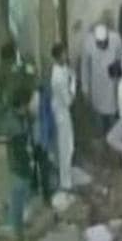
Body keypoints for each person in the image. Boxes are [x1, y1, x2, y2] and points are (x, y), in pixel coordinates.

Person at [81, 24, 122, 136]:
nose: (103, 45)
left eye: (104, 43)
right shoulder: (88, 43)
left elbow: (120, 61)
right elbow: (85, 68)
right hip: (97, 88)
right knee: (99, 122)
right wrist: (85, 89)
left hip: (112, 87)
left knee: (113, 121)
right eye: (100, 44)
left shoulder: (116, 40)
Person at [3, 88, 33, 241]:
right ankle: (18, 234)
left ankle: (18, 230)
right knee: (18, 199)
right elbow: (19, 151)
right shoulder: (16, 126)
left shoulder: (16, 119)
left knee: (19, 198)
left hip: (19, 166)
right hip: (19, 168)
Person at [50, 43, 76, 191]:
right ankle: (65, 182)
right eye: (64, 54)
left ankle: (66, 177)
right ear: (58, 56)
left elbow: (68, 72)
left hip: (63, 113)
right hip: (61, 114)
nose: (66, 56)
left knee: (68, 145)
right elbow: (68, 101)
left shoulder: (62, 68)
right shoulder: (57, 78)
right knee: (65, 148)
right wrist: (73, 85)